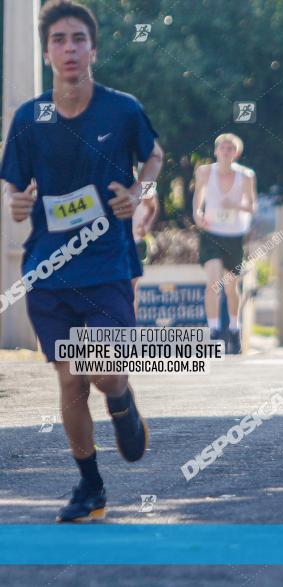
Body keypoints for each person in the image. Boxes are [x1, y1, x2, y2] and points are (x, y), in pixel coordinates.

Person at [1, 0, 163, 522]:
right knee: (71, 379)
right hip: (49, 269)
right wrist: (16, 201)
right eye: (58, 40)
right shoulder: (31, 117)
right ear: (48, 51)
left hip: (108, 263)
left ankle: (121, 397)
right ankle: (90, 487)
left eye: (78, 39)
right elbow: (13, 182)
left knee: (102, 370)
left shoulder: (121, 109)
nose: (68, 49)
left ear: (93, 48)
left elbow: (156, 157)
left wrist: (139, 191)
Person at [192, 133, 257, 355]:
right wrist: (197, 213)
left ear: (236, 153)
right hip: (211, 232)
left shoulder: (246, 176)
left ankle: (234, 329)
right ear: (216, 151)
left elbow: (252, 206)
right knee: (213, 282)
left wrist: (236, 206)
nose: (226, 151)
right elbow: (198, 195)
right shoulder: (204, 172)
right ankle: (213, 331)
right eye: (222, 148)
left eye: (230, 148)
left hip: (234, 234)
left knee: (231, 287)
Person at [129, 184, 158, 313]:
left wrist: (146, 226)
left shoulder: (145, 182)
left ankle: (131, 327)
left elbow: (153, 207)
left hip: (137, 244)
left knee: (133, 287)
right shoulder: (113, 178)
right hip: (118, 245)